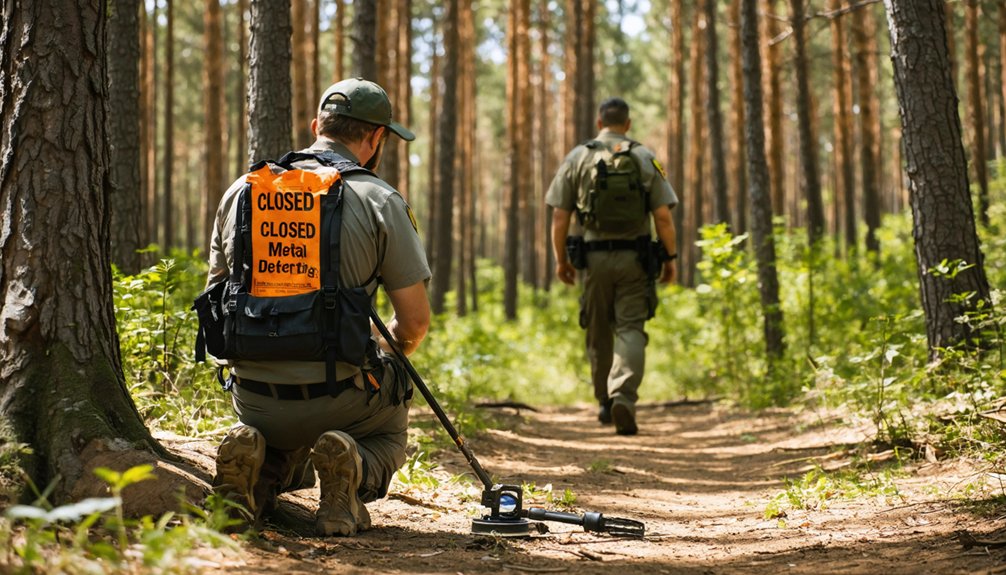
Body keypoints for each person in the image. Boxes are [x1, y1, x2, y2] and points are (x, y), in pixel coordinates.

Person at [205, 78, 430, 536]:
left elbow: (216, 295)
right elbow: (414, 322)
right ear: (375, 138)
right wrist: (386, 355)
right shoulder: (379, 199)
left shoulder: (242, 191)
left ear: (316, 127)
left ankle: (260, 471)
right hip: (340, 395)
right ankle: (352, 473)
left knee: (279, 430)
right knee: (392, 421)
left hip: (253, 397)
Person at [545, 97, 678, 436]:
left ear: (598, 121)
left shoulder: (578, 156)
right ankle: (624, 396)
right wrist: (671, 259)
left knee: (598, 329)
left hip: (593, 258)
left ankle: (604, 401)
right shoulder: (645, 157)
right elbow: (663, 215)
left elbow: (560, 216)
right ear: (627, 124)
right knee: (631, 327)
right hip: (636, 258)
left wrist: (561, 260)